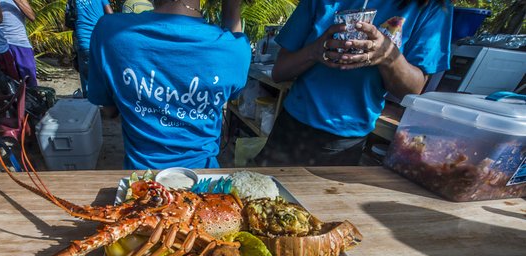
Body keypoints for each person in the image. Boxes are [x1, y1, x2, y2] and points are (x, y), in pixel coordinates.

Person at [255, 0, 453, 166]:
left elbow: (413, 91)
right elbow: (280, 71)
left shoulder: (431, 7)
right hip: (290, 127)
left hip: (346, 142)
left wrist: (387, 56)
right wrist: (314, 51)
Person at [88, 0, 251, 169]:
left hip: (141, 185)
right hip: (204, 185)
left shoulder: (110, 32)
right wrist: (231, 7)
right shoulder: (234, 49)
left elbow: (110, 110)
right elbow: (232, 90)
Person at [73, 0, 113, 98]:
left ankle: (89, 102)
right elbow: (110, 14)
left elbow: (68, 21)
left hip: (83, 41)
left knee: (87, 78)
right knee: (102, 75)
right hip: (99, 40)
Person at [0, 0, 38, 86]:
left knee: (30, 81)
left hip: (21, 43)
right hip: (1, 45)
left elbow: (32, 17)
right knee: (9, 84)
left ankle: (31, 98)